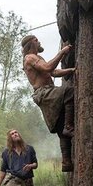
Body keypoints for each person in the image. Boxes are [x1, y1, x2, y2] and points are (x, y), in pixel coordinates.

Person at [22, 35, 75, 172]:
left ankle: (66, 162)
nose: (39, 41)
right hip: (44, 93)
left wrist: (71, 70)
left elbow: (53, 72)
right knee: (69, 91)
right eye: (36, 40)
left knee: (60, 125)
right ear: (31, 43)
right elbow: (47, 68)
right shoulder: (30, 58)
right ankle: (69, 126)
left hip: (47, 92)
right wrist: (62, 52)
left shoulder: (37, 58)